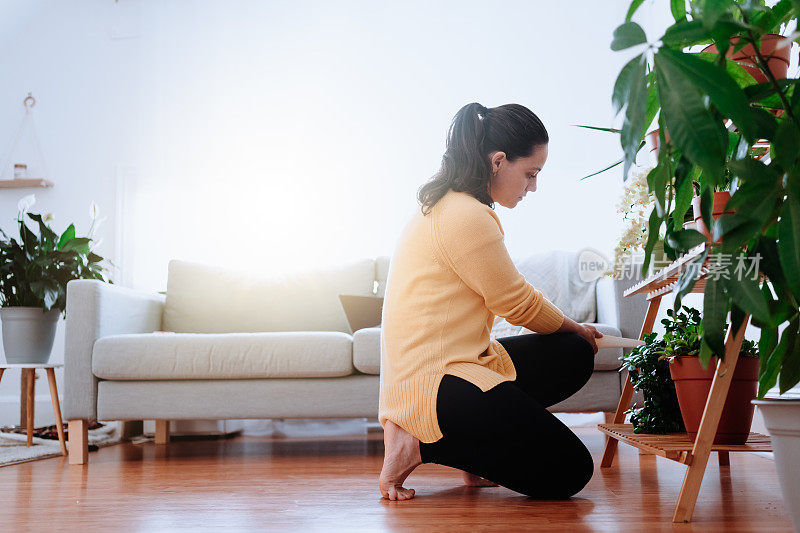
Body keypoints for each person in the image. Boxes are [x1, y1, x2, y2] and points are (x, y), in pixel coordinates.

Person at [377, 102, 603, 501]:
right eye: (530, 174)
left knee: (573, 353)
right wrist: (577, 325)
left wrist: (575, 334)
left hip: (459, 364)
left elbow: (513, 295)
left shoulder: (448, 204)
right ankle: (420, 443)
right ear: (498, 161)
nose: (532, 187)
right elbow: (517, 304)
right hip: (437, 382)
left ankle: (473, 451)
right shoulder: (465, 215)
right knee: (570, 472)